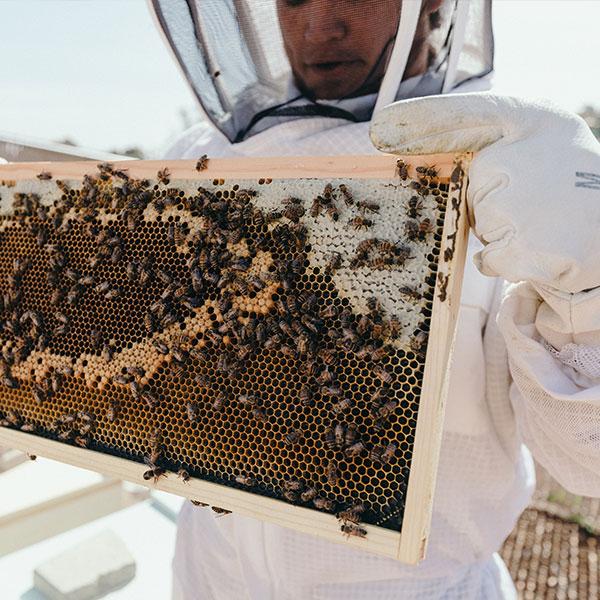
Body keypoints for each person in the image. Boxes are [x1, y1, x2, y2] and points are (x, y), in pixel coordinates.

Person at [148, 0, 600, 598]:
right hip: (209, 575)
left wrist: (588, 292)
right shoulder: (195, 160)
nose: (318, 28)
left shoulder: (510, 167)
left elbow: (588, 464)